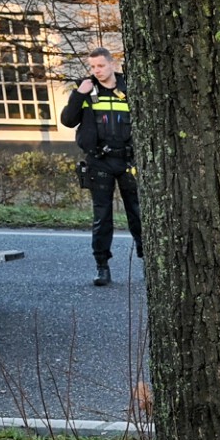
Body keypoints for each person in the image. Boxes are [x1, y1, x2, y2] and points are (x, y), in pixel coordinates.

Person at [59, 46, 139, 286]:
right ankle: (102, 267)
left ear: (112, 65)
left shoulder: (129, 88)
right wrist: (78, 94)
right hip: (99, 161)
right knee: (102, 217)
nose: (97, 71)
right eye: (92, 67)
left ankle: (149, 265)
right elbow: (68, 120)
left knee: (137, 214)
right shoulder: (86, 90)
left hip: (127, 161)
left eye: (101, 66)